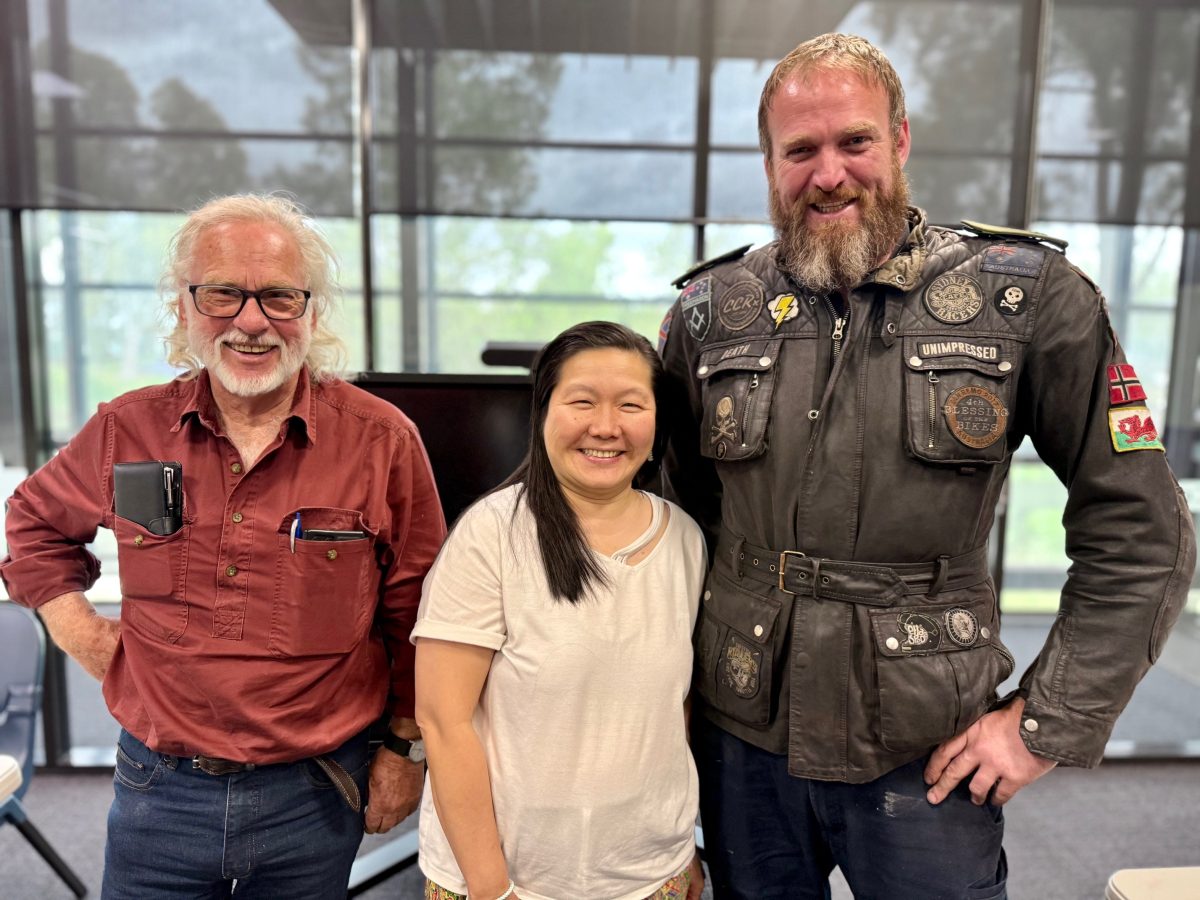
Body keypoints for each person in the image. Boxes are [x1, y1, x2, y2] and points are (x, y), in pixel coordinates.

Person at [658, 32, 1196, 900]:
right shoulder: (711, 314)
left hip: (927, 745)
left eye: (854, 142)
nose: (828, 172)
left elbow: (1142, 529)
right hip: (743, 736)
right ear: (768, 162)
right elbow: (668, 528)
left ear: (900, 140)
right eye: (801, 150)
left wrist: (1040, 725)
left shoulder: (1023, 299)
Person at [0, 194, 446, 898]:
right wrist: (79, 631)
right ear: (184, 308)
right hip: (158, 791)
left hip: (317, 791)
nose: (250, 321)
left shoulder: (382, 441)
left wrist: (404, 747)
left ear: (311, 312)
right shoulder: (128, 429)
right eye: (222, 294)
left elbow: (421, 612)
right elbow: (30, 523)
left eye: (277, 296)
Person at [412, 321, 707, 900]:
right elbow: (442, 723)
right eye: (582, 402)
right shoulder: (492, 534)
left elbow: (676, 710)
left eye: (630, 404)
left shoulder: (685, 539)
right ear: (544, 411)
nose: (605, 427)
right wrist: (491, 887)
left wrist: (681, 853)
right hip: (512, 882)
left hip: (652, 876)